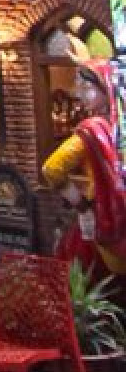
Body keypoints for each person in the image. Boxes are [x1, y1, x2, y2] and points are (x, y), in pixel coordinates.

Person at [42, 59, 126, 298]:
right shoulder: (116, 128)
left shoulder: (93, 129)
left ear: (106, 88)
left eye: (86, 88)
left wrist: (81, 206)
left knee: (97, 282)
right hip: (116, 214)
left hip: (104, 218)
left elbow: (52, 169)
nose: (79, 95)